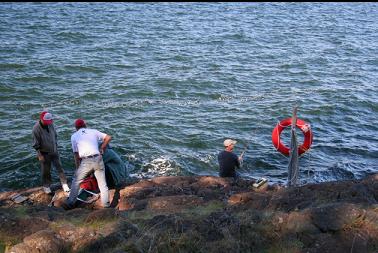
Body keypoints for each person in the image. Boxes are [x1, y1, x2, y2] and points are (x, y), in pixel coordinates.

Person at [63, 118, 112, 209]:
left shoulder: (74, 136)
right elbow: (108, 137)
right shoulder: (93, 131)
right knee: (102, 184)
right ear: (85, 125)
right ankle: (106, 205)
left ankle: (70, 203)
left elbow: (76, 154)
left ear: (76, 128)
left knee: (76, 181)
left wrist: (78, 167)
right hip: (98, 158)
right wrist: (102, 148)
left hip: (86, 161)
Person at [32, 111, 69, 194]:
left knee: (60, 167)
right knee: (46, 171)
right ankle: (46, 186)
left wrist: (56, 146)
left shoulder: (50, 124)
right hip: (44, 153)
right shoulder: (36, 129)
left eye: (49, 121)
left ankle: (64, 183)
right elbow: (36, 144)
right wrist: (39, 155)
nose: (48, 123)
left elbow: (55, 135)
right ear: (41, 119)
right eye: (46, 122)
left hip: (54, 150)